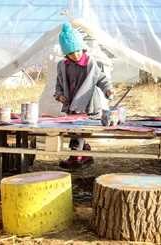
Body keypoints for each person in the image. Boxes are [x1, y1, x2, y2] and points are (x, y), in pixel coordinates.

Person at [54, 22, 113, 169]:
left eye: (77, 51)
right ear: (65, 54)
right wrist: (59, 95)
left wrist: (108, 90)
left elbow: (101, 79)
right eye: (71, 53)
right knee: (74, 130)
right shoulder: (63, 66)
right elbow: (59, 84)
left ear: (82, 47)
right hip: (71, 104)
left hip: (88, 104)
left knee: (78, 130)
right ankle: (85, 154)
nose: (75, 55)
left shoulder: (90, 64)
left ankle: (75, 157)